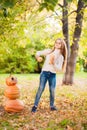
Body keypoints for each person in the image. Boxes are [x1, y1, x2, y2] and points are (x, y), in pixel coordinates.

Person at [31, 38, 67, 113]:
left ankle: (52, 106)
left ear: (62, 45)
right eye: (56, 42)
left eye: (59, 43)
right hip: (44, 73)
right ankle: (35, 106)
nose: (57, 44)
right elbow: (38, 52)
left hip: (52, 74)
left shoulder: (61, 56)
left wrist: (53, 63)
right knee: (40, 89)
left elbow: (59, 69)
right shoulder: (49, 51)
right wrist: (38, 57)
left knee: (52, 90)